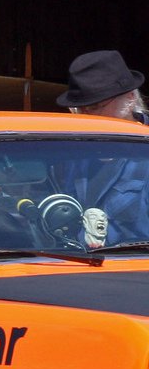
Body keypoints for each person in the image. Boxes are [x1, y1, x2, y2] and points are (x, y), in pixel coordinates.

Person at [56, 51, 149, 244]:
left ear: (130, 98)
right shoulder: (72, 153)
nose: (88, 116)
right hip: (75, 264)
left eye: (97, 106)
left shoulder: (144, 148)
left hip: (134, 268)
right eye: (81, 109)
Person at [56, 50, 148, 123]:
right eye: (78, 109)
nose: (84, 116)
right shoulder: (70, 139)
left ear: (129, 99)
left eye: (94, 107)